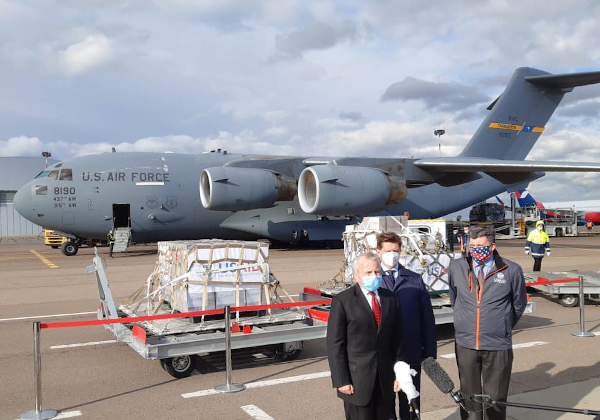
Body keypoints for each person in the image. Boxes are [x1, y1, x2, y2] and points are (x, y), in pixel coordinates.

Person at [448, 225, 527, 420]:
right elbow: (453, 298)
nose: (475, 249)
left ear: (492, 246)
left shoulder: (511, 270)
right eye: (472, 245)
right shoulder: (457, 267)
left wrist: (502, 325)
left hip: (497, 344)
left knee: (496, 399)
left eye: (480, 245)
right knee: (469, 399)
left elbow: (519, 304)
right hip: (466, 343)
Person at [327, 252, 407, 420]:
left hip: (386, 381)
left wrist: (400, 373)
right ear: (356, 275)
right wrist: (341, 380)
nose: (374, 276)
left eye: (377, 272)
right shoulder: (343, 301)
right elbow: (335, 344)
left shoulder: (391, 298)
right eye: (368, 273)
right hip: (357, 382)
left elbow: (397, 339)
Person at [376, 232, 437, 420]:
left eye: (395, 250)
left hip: (411, 353)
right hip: (383, 356)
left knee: (410, 404)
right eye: (387, 251)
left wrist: (429, 353)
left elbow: (427, 319)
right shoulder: (373, 280)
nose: (392, 254)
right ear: (378, 252)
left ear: (400, 251)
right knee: (385, 406)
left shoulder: (414, 279)